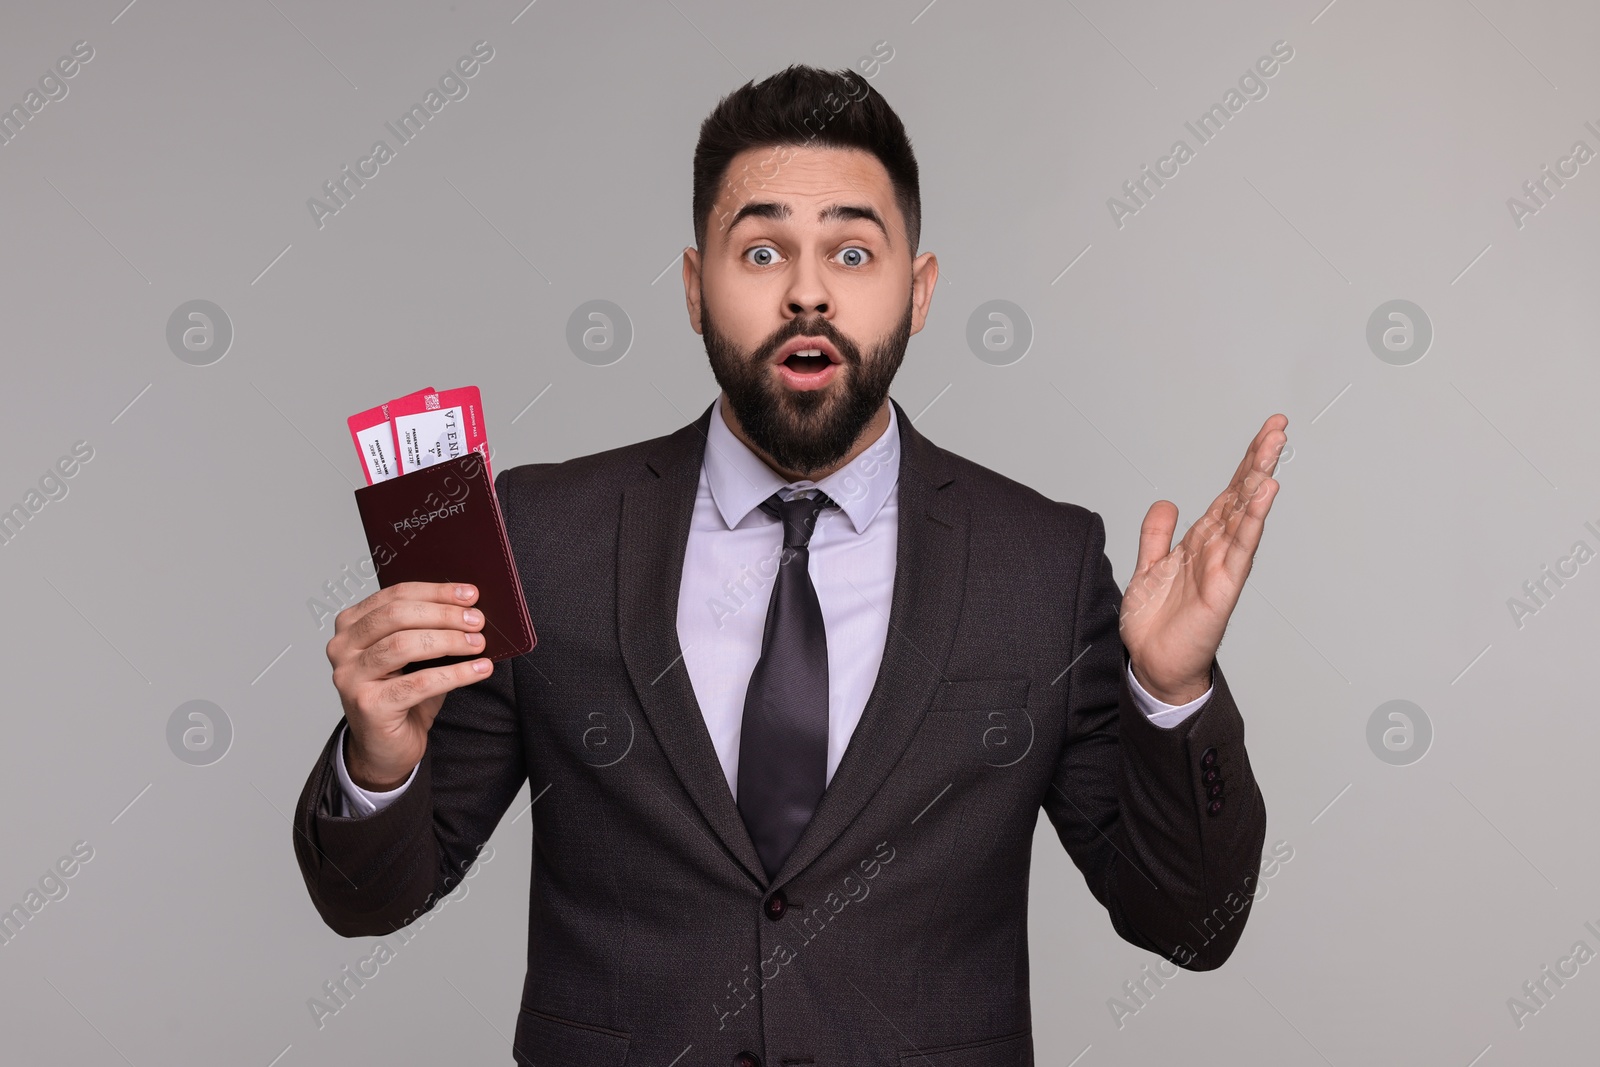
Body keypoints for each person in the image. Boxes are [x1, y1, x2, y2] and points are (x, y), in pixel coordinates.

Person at [293, 64, 1284, 1066]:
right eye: (760, 249)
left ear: (918, 289)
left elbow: (1188, 924)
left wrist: (1171, 691)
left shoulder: (1041, 564)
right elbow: (372, 896)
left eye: (852, 252)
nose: (806, 292)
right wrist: (379, 759)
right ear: (693, 288)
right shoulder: (545, 535)